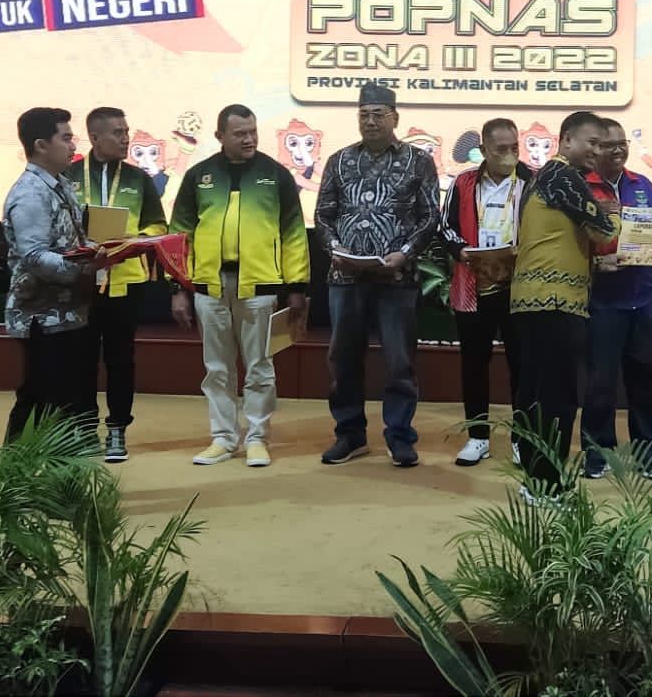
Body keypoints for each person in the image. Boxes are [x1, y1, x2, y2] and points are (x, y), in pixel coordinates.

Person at [170, 104, 310, 469]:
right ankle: (223, 438)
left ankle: (257, 438)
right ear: (220, 136)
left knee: (260, 367)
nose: (249, 139)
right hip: (209, 287)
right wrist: (179, 288)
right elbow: (179, 236)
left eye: (252, 132)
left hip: (260, 285)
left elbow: (294, 234)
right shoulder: (199, 176)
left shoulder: (276, 175)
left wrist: (297, 286)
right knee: (217, 369)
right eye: (239, 134)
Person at [314, 85, 441, 468]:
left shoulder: (419, 161)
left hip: (396, 279)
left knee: (400, 362)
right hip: (345, 277)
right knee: (343, 360)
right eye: (364, 114)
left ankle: (399, 436)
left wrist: (406, 253)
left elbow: (430, 216)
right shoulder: (339, 161)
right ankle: (350, 435)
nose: (370, 121)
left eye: (378, 114)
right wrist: (335, 249)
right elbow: (323, 215)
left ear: (394, 118)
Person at [510, 111, 618, 502]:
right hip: (554, 301)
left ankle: (536, 481)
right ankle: (548, 486)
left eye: (602, 145)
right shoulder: (564, 177)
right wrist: (618, 215)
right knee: (558, 397)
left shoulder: (545, 178)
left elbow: (564, 240)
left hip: (534, 300)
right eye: (592, 142)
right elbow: (604, 230)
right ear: (567, 139)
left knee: (537, 393)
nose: (597, 151)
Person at [64, 107, 167, 463]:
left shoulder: (140, 179)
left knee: (121, 359)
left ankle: (118, 428)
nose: (126, 139)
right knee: (81, 359)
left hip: (125, 281)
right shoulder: (69, 175)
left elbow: (158, 226)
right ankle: (84, 428)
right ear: (95, 137)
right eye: (118, 133)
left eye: (126, 131)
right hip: (80, 282)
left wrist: (133, 240)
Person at [2, 107, 108, 444]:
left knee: (61, 399)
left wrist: (98, 251)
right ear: (41, 145)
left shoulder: (59, 184)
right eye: (66, 137)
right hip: (41, 316)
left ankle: (53, 467)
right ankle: (15, 469)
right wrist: (84, 265)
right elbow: (34, 256)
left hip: (67, 313)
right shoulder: (30, 193)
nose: (73, 144)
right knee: (40, 396)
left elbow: (70, 241)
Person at [440, 118, 532, 467]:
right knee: (474, 364)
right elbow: (445, 226)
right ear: (483, 149)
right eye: (501, 149)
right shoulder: (463, 182)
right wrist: (461, 250)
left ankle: (523, 440)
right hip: (474, 284)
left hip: (519, 286)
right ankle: (478, 437)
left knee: (523, 366)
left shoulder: (532, 181)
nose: (509, 155)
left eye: (514, 148)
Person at [581, 118, 652, 479]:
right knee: (600, 383)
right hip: (602, 302)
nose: (618, 150)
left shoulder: (642, 184)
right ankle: (597, 452)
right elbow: (570, 241)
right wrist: (596, 262)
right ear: (594, 149)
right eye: (609, 144)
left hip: (643, 299)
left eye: (622, 143)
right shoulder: (581, 187)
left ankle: (649, 455)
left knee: (646, 381)